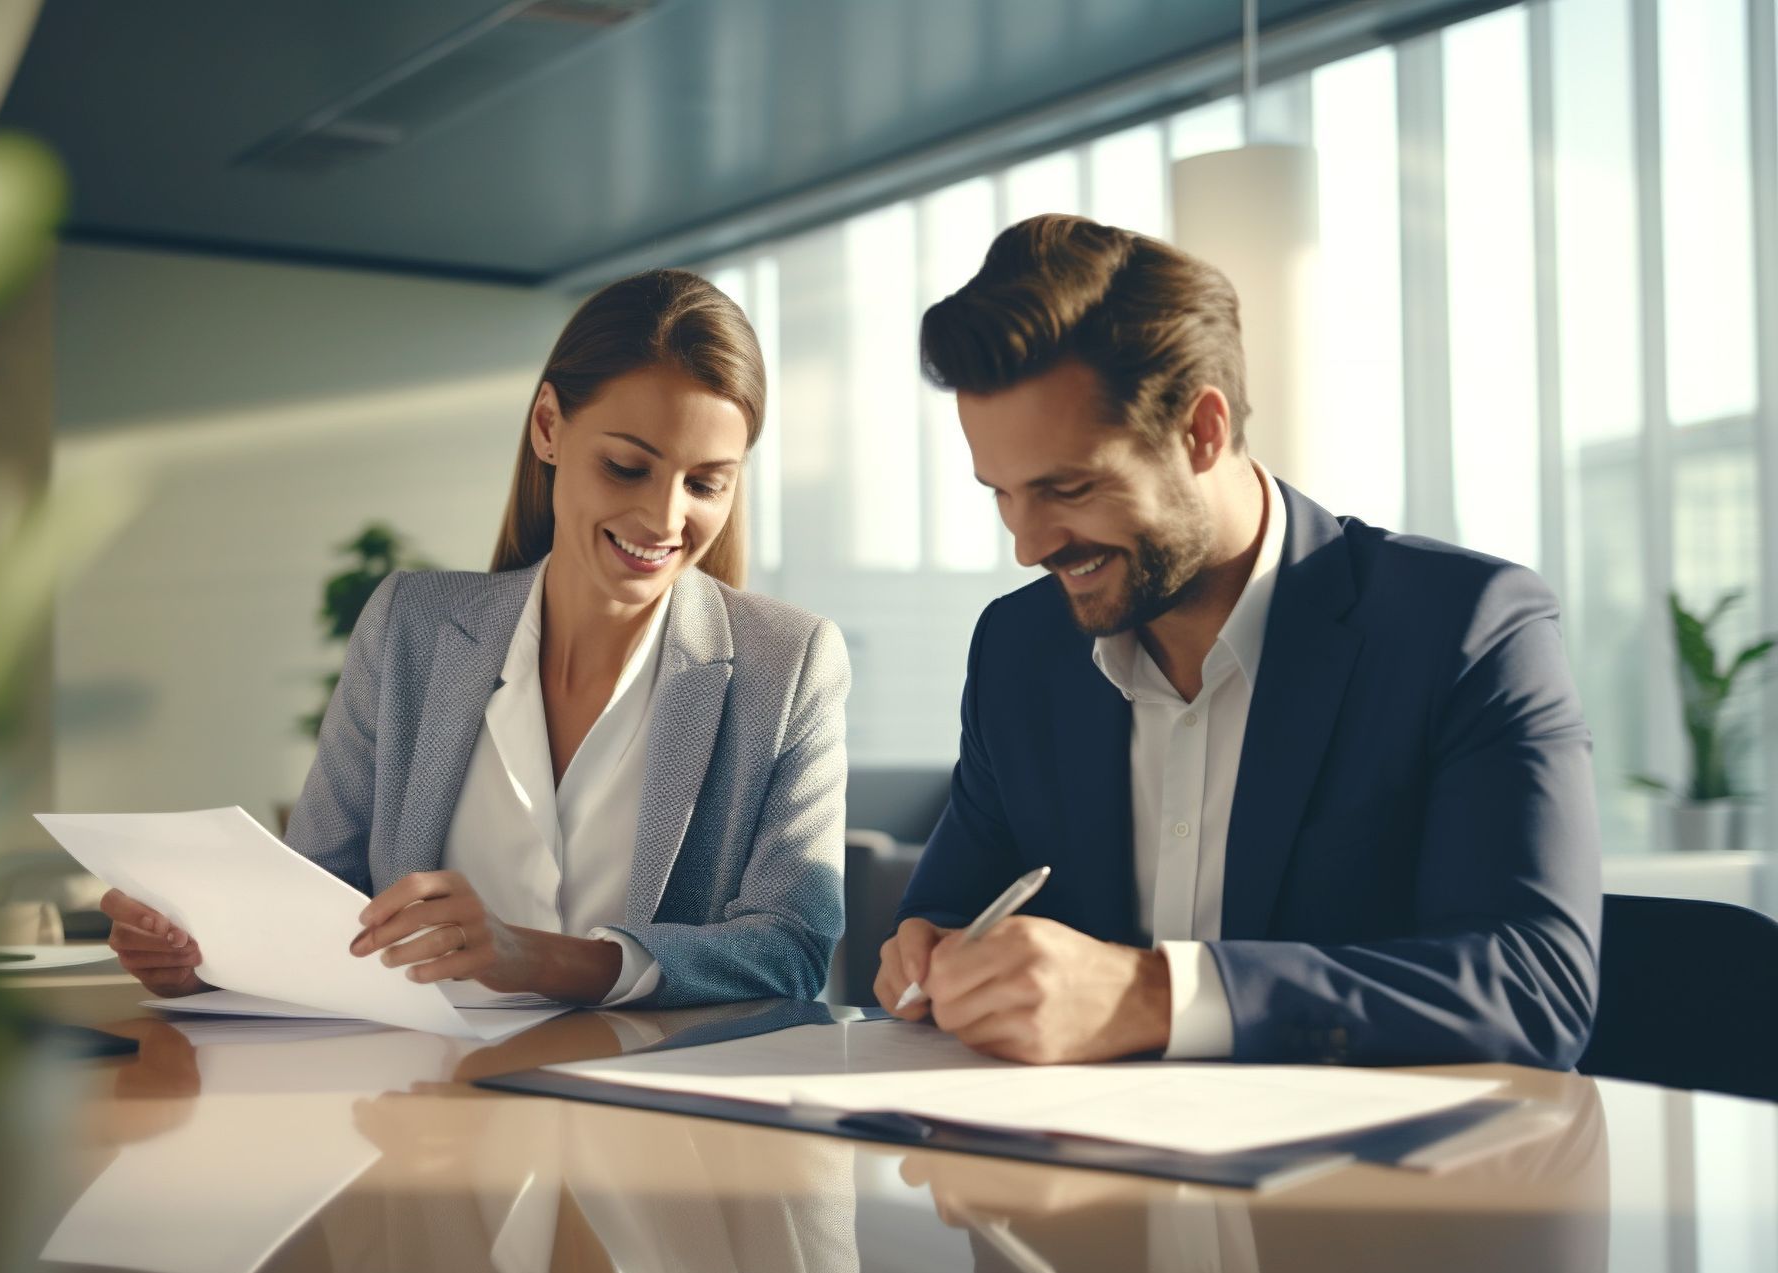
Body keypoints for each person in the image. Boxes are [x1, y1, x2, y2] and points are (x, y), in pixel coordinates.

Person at [873, 215, 1600, 1068]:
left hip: (1370, 1186)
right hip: (1076, 1180)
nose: (1029, 545)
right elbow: (953, 913)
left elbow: (1533, 985)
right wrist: (932, 957)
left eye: (1067, 488)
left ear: (1202, 430)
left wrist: (1155, 997)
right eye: (1002, 494)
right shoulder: (1019, 649)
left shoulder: (1466, 628)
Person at [103, 269, 849, 1008]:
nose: (664, 519)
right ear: (550, 427)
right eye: (627, 468)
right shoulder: (412, 627)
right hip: (418, 1099)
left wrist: (548, 960)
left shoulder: (788, 665)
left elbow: (792, 947)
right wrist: (204, 959)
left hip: (643, 1106)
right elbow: (325, 894)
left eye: (706, 484)